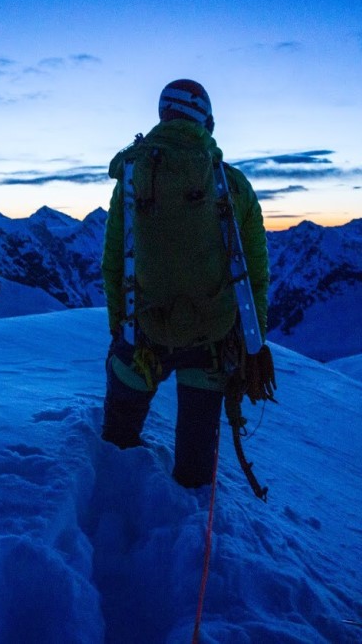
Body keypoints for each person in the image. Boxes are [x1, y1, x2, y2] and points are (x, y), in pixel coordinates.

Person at [100, 79, 272, 488]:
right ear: (206, 123)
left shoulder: (132, 176)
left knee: (115, 446)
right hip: (209, 340)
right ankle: (188, 528)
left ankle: (111, 508)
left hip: (141, 336)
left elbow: (113, 262)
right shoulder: (233, 185)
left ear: (163, 116)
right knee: (195, 471)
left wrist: (119, 330)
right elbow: (254, 273)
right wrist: (253, 343)